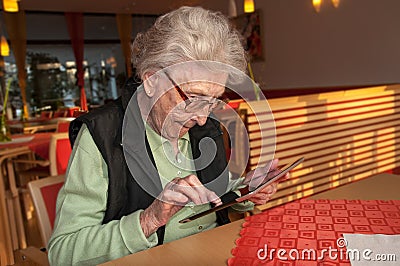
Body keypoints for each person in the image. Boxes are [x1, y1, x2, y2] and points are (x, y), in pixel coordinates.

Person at [48, 6, 284, 265]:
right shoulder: (101, 136)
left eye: (213, 100)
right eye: (192, 97)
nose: (202, 117)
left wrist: (244, 191)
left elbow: (214, 198)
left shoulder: (205, 124)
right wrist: (149, 220)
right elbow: (62, 253)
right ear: (151, 80)